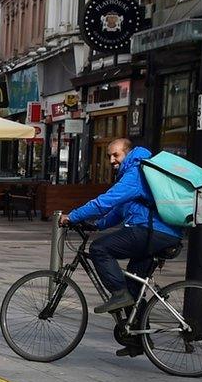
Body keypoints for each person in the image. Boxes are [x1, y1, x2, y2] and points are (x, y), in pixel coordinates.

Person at [66, 138, 183, 351]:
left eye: (116, 155)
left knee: (99, 249)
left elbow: (105, 202)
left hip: (151, 232)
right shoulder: (137, 173)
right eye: (109, 156)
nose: (111, 160)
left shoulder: (136, 172)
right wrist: (97, 225)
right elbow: (120, 210)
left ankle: (118, 294)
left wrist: (72, 216)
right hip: (159, 233)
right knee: (134, 289)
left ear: (128, 153)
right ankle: (139, 340)